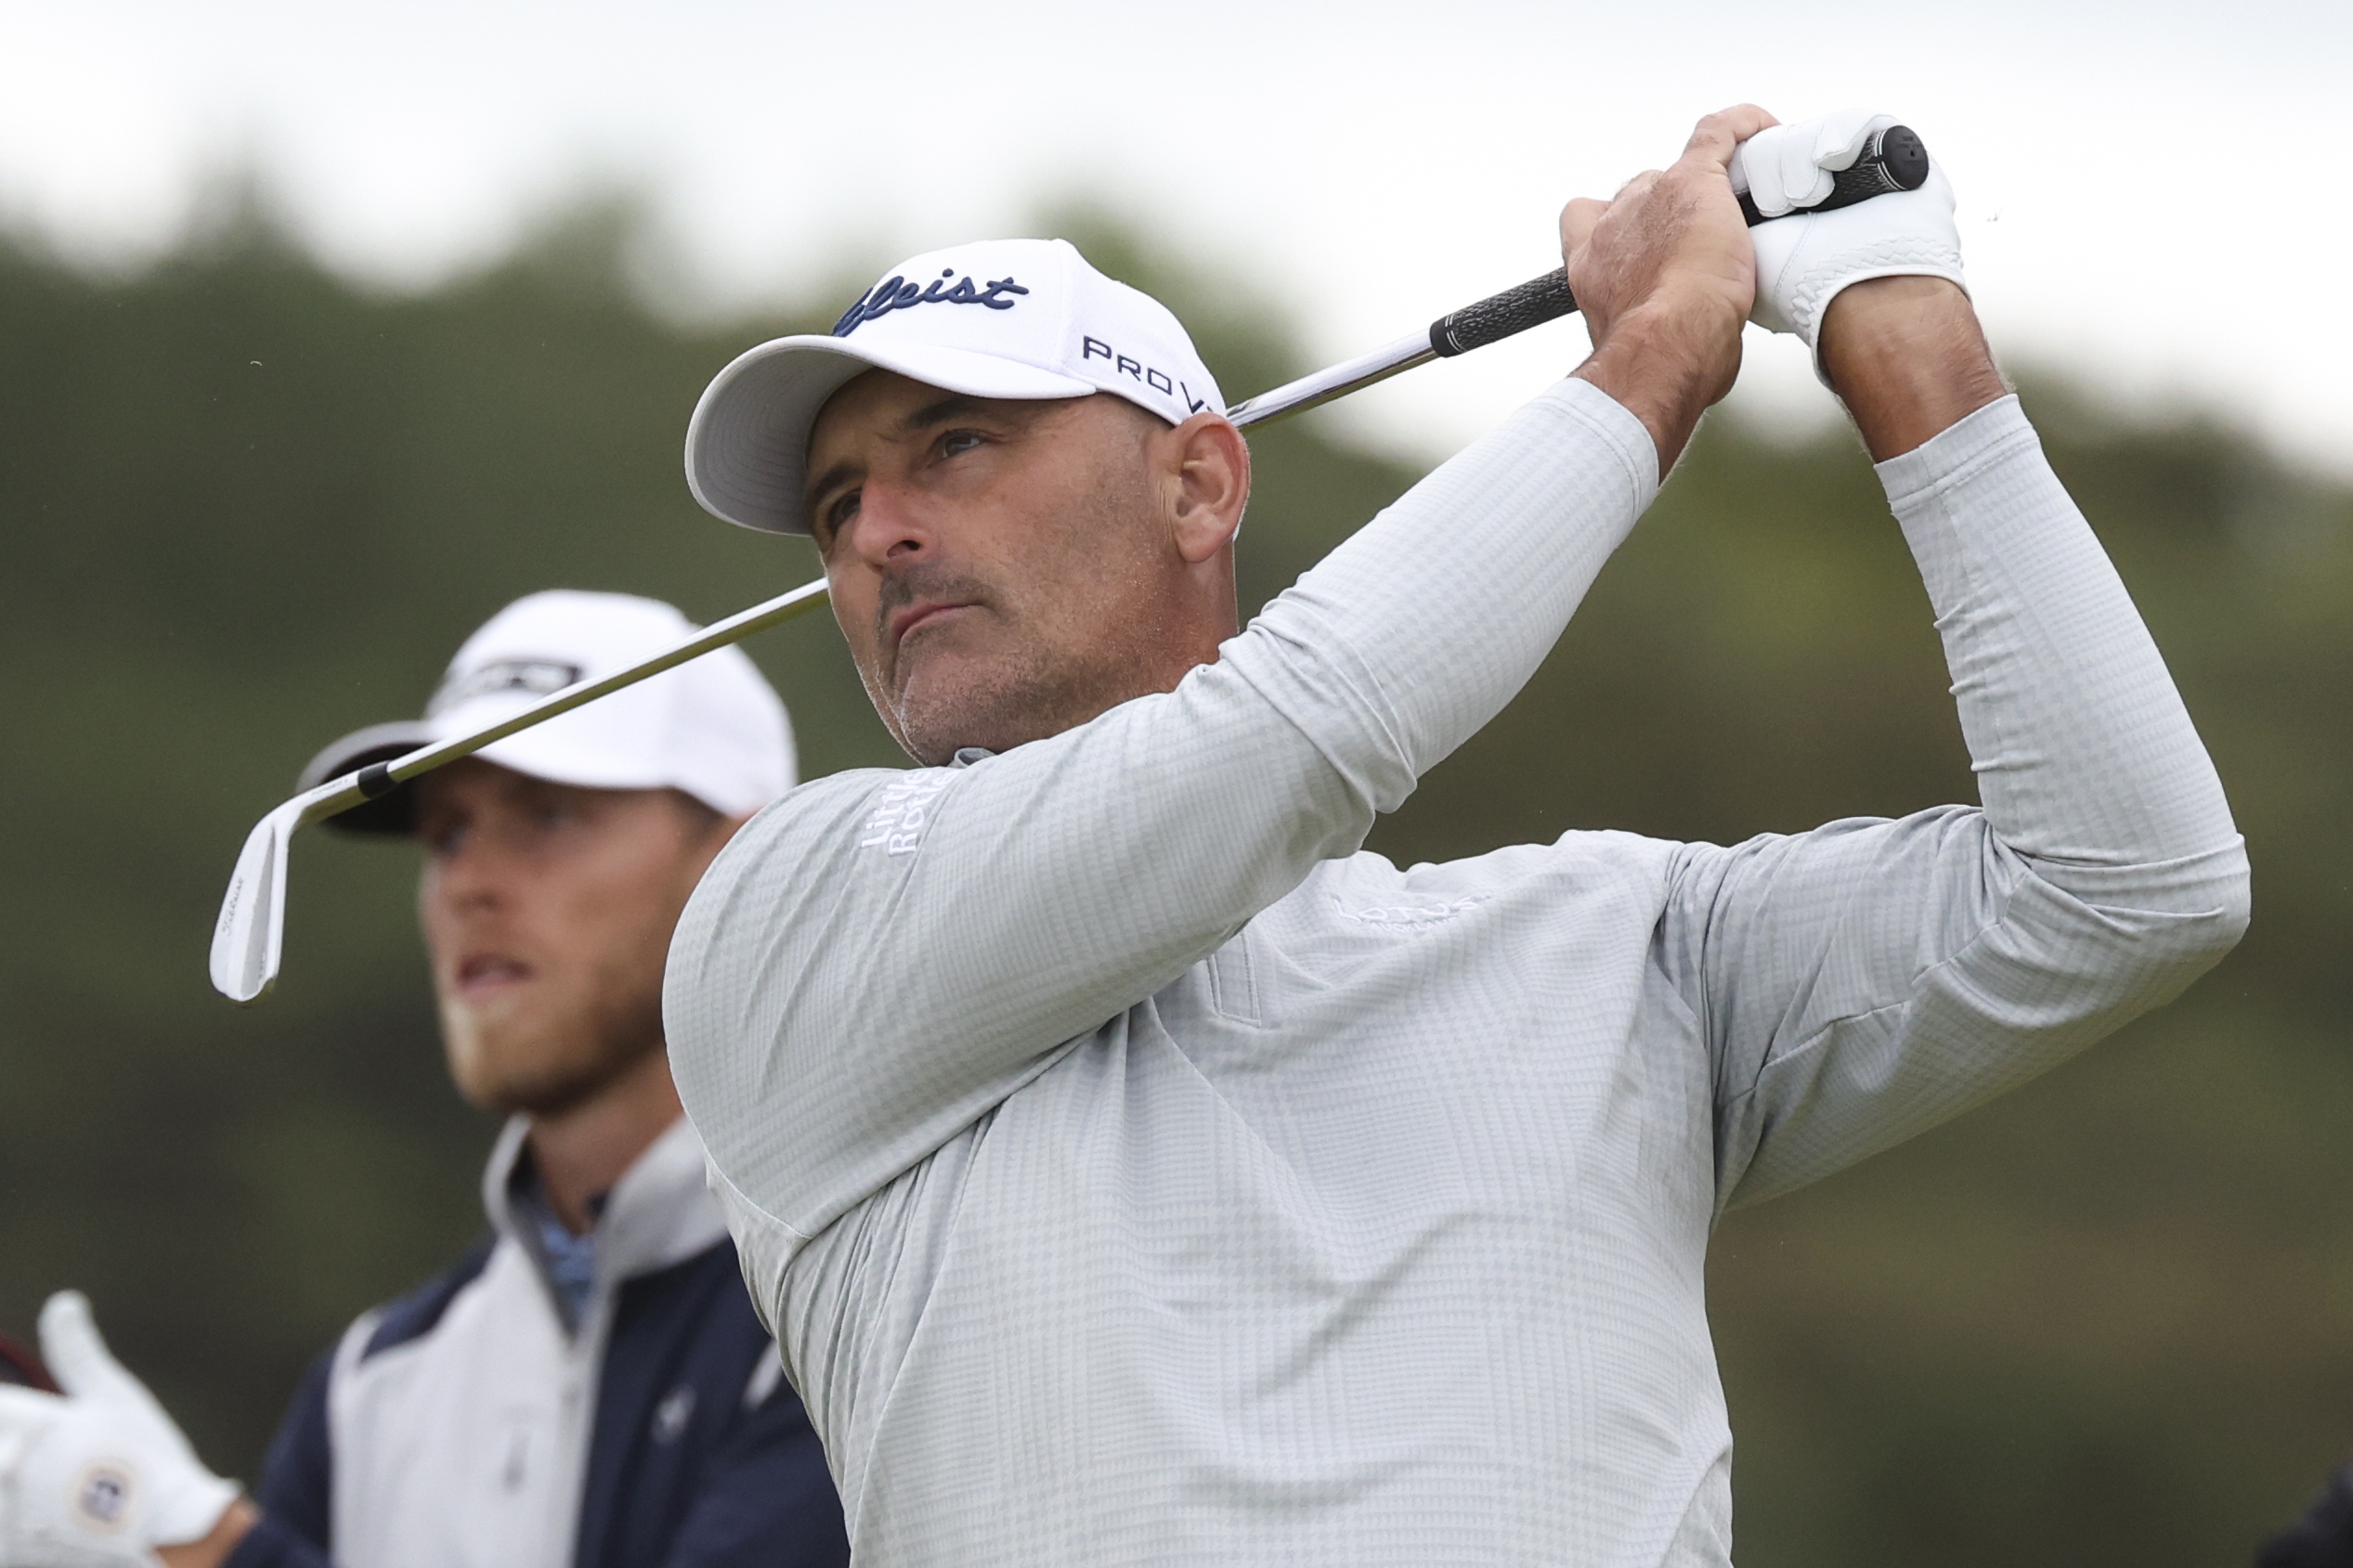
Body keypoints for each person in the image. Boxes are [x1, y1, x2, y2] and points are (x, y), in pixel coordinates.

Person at [662, 105, 2251, 1565]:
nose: (877, 532)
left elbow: (2121, 882)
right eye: (833, 505)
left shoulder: (1613, 946)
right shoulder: (786, 922)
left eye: (954, 443)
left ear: (1199, 484)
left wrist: (1907, 341)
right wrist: (1658, 351)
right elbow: (1291, 731)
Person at [0, 591, 850, 1568]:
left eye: (547, 817)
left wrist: (193, 1542)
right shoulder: (374, 1382)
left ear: (740, 860)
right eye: (445, 834)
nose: (468, 882)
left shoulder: (866, 1282)